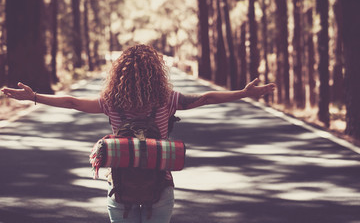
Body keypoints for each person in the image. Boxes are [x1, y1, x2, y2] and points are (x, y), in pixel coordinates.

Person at [1, 44, 276, 223]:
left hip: (121, 185)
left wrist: (34, 96)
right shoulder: (168, 99)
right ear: (156, 73)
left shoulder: (110, 102)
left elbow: (72, 102)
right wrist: (243, 93)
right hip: (161, 183)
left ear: (119, 73)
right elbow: (205, 98)